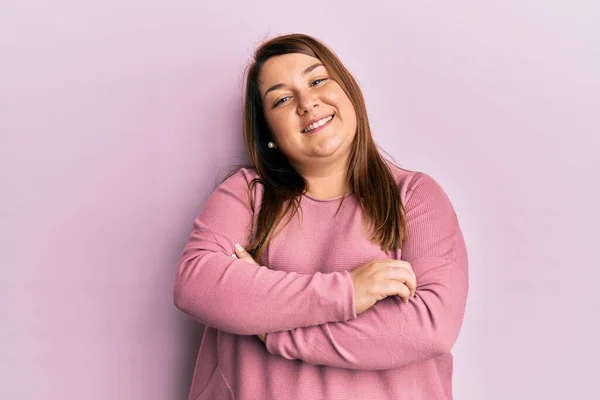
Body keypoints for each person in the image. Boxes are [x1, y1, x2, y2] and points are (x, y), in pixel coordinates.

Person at [173, 33, 469, 400]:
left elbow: (429, 328)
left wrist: (273, 331)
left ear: (348, 91)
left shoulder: (416, 197)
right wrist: (348, 291)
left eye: (317, 80)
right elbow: (197, 284)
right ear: (268, 133)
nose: (307, 102)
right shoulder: (246, 195)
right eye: (281, 99)